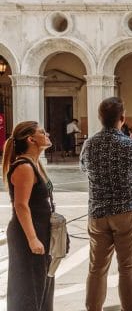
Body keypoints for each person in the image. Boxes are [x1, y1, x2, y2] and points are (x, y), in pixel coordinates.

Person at [80, 97, 132, 311]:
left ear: (100, 118)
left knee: (96, 267)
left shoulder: (89, 144)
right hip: (126, 211)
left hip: (98, 212)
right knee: (128, 267)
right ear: (122, 118)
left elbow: (84, 169)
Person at [2, 121, 55, 310]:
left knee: (42, 285)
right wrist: (32, 239)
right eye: (42, 132)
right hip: (27, 232)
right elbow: (21, 205)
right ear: (31, 139)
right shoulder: (24, 166)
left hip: (41, 229)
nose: (46, 133)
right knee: (28, 287)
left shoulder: (35, 163)